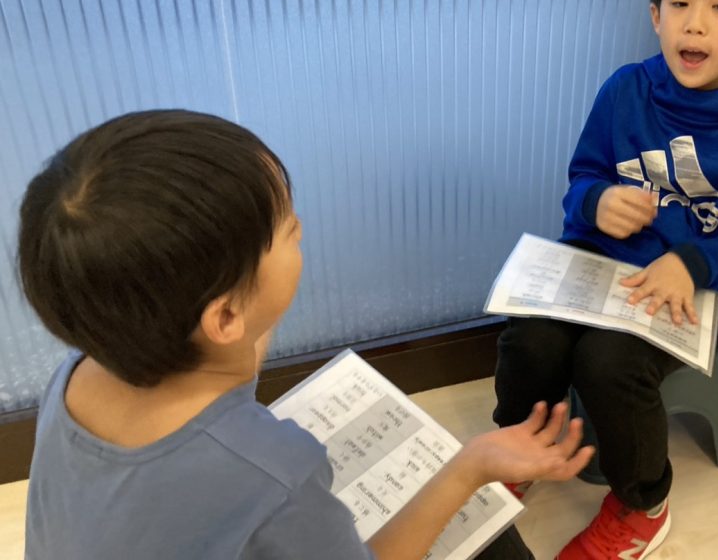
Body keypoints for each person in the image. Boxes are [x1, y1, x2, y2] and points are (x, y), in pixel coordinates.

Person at [18, 109, 593, 560]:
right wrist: (473, 465)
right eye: (288, 229)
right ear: (225, 320)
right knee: (495, 542)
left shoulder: (77, 376)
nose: (301, 231)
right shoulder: (273, 474)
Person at [492, 0, 718, 559]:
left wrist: (690, 263)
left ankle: (643, 506)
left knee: (607, 364)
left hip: (688, 293)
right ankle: (520, 448)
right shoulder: (625, 90)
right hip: (594, 266)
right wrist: (597, 202)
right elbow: (583, 176)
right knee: (530, 339)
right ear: (655, 15)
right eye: (680, 4)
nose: (696, 24)